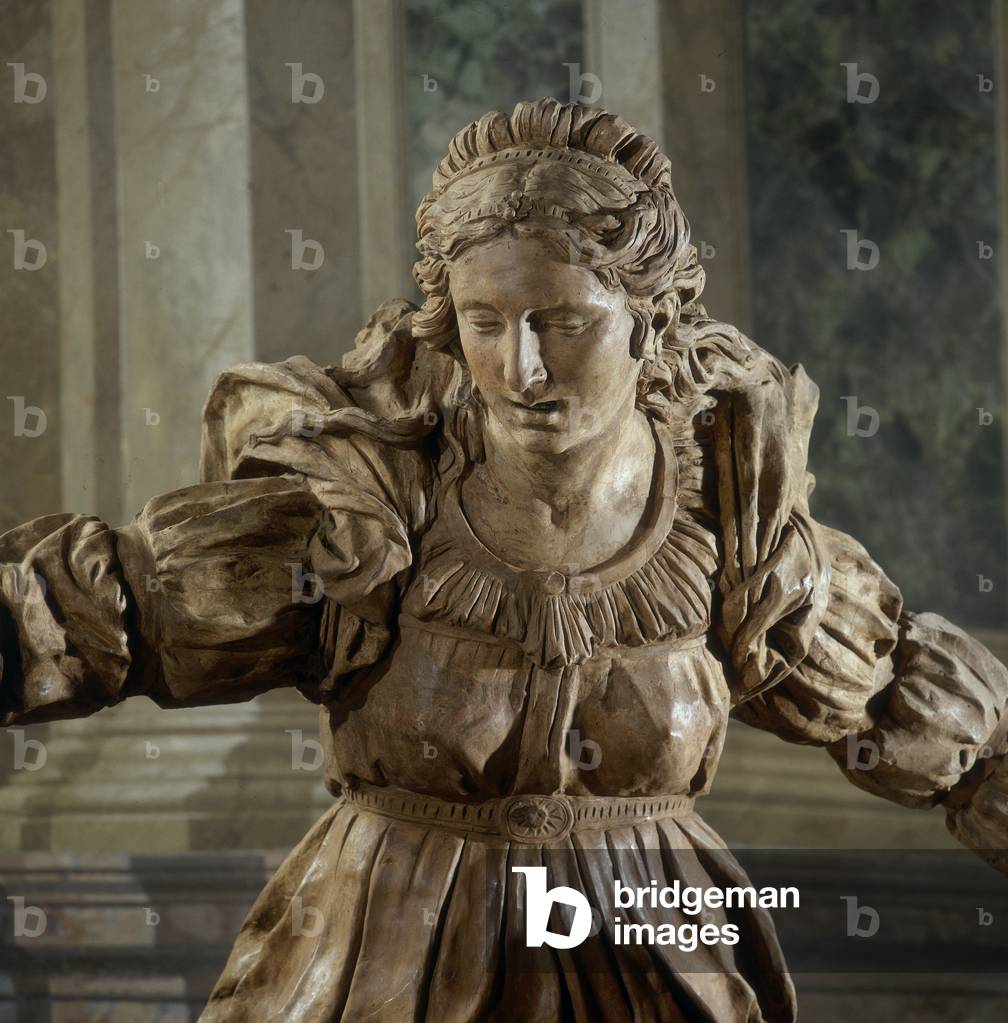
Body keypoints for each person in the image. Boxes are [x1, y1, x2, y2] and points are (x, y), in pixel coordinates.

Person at [1, 97, 1005, 1022]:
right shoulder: (367, 508)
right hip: (383, 955)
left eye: (562, 323)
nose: (522, 368)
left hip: (654, 959)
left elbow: (923, 719)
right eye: (486, 323)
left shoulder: (730, 526)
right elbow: (92, 615)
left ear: (649, 320)